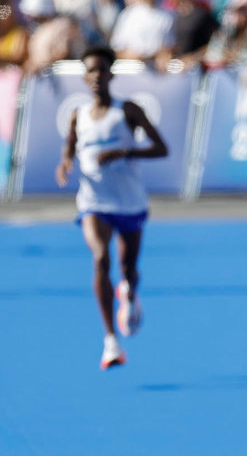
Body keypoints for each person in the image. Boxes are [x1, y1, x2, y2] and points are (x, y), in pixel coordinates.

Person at [55, 46, 168, 369]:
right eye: (90, 71)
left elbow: (161, 148)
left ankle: (129, 293)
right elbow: (69, 147)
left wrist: (124, 153)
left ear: (111, 75)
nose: (96, 77)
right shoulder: (78, 114)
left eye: (102, 71)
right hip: (94, 203)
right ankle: (110, 342)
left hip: (129, 203)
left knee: (129, 269)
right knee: (101, 258)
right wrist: (64, 165)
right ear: (83, 76)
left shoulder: (127, 111)